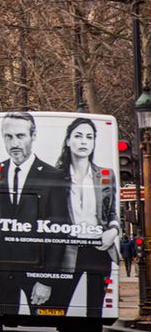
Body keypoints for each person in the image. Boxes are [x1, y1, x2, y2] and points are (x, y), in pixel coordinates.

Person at [0, 112, 71, 315]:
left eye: (20, 136)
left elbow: (58, 229)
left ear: (33, 136)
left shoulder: (53, 176)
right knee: (5, 318)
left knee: (41, 317)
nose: (14, 143)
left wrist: (47, 279)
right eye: (8, 136)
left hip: (37, 268)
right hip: (3, 268)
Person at [55, 117, 120, 316]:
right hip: (68, 250)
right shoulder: (56, 176)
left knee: (95, 310)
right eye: (78, 136)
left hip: (99, 249)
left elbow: (112, 212)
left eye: (89, 137)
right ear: (68, 141)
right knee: (60, 305)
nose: (84, 142)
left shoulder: (105, 176)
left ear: (93, 143)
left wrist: (114, 229)